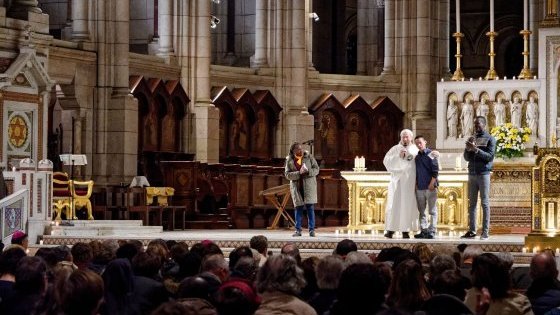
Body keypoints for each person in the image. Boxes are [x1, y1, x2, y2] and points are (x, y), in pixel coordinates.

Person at [461, 116, 496, 240]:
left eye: (478, 124)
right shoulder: (472, 138)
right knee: (472, 204)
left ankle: (485, 232)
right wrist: (467, 149)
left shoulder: (490, 139)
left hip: (483, 174)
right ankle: (472, 231)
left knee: (485, 203)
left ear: (484, 125)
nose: (476, 127)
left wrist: (476, 150)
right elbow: (466, 158)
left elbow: (489, 157)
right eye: (475, 124)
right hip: (472, 173)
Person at [383, 129, 419, 239]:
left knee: (407, 204)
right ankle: (390, 229)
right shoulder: (395, 149)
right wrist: (397, 156)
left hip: (408, 181)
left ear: (411, 138)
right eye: (403, 137)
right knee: (393, 204)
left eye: (407, 137)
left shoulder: (414, 148)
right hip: (396, 181)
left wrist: (405, 155)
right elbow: (386, 161)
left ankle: (406, 230)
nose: (405, 139)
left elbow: (411, 159)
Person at [285, 142, 320, 237]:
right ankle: (298, 230)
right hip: (297, 186)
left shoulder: (309, 157)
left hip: (308, 186)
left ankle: (311, 230)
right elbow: (287, 175)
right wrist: (298, 173)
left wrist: (308, 172)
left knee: (310, 208)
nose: (300, 150)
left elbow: (317, 169)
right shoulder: (289, 160)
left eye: (301, 148)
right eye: (297, 149)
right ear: (293, 151)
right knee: (298, 208)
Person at [413, 135, 439, 239]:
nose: (419, 145)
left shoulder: (431, 154)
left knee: (432, 210)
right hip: (420, 187)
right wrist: (416, 184)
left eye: (420, 142)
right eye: (417, 143)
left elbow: (435, 170)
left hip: (430, 186)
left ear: (425, 142)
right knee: (422, 211)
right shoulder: (417, 157)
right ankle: (423, 230)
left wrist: (432, 183)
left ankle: (432, 230)